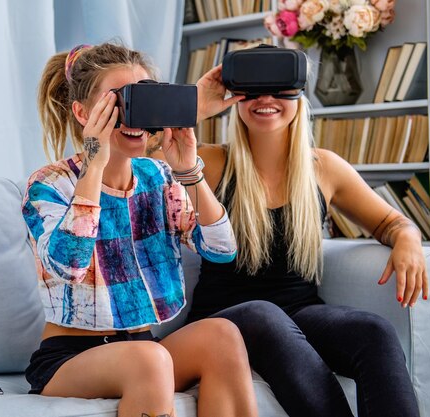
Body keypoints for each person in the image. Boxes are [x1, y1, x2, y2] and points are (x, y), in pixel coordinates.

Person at [154, 54, 426, 417]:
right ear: (236, 99)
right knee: (265, 315)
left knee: (373, 332)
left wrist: (408, 238)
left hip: (299, 313)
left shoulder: (323, 168)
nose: (266, 100)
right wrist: (197, 106)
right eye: (252, 92)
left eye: (280, 90)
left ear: (300, 95)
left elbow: (391, 222)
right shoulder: (211, 163)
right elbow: (137, 149)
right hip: (226, 320)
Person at [21, 42, 259, 417]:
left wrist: (188, 170)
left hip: (143, 347)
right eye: (118, 102)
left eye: (144, 98)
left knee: (222, 335)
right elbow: (69, 266)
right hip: (69, 358)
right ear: (84, 113)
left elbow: (222, 250)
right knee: (148, 359)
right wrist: (94, 168)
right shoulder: (50, 184)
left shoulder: (159, 177)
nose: (133, 115)